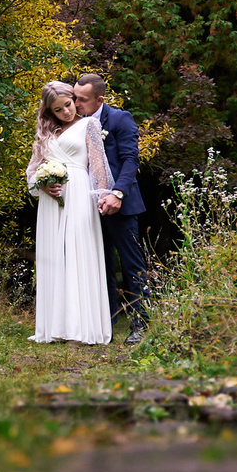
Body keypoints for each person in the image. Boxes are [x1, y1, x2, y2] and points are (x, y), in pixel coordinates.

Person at [25, 79, 113, 346]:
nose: (65, 112)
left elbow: (97, 165)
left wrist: (102, 196)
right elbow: (32, 171)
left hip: (79, 193)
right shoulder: (45, 134)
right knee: (54, 256)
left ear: (74, 100)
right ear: (49, 111)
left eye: (68, 104)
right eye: (57, 109)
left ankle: (82, 327)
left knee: (79, 252)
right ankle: (55, 327)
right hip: (51, 200)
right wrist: (42, 184)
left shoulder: (89, 125)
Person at [74, 73, 150, 346]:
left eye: (83, 99)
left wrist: (117, 193)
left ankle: (141, 323)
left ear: (100, 100)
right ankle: (105, 323)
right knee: (98, 264)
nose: (77, 103)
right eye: (75, 97)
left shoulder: (119, 119)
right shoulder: (74, 123)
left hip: (121, 205)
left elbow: (130, 160)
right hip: (86, 205)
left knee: (132, 264)